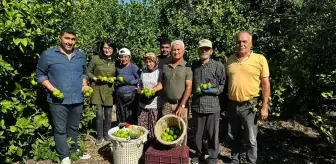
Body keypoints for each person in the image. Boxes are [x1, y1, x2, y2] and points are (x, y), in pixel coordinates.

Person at [36, 28, 91, 164]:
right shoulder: (48, 55)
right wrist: (52, 89)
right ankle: (64, 155)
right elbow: (40, 75)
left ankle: (74, 150)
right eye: (67, 38)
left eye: (72, 39)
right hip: (57, 100)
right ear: (60, 38)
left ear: (75, 41)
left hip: (77, 98)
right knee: (60, 129)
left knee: (73, 127)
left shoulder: (81, 56)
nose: (69, 42)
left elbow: (84, 74)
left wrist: (84, 85)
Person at [226, 31, 271, 164]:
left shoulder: (259, 59)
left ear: (251, 43)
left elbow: (265, 83)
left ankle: (251, 162)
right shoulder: (229, 60)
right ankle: (235, 160)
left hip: (250, 105)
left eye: (244, 41)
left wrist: (265, 106)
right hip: (232, 104)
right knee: (232, 135)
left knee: (251, 138)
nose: (241, 44)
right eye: (239, 41)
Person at [191, 39, 226, 164]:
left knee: (212, 134)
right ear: (198, 51)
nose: (204, 51)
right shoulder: (193, 66)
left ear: (211, 51)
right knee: (197, 134)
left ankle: (212, 158)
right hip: (197, 106)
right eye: (201, 49)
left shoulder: (218, 66)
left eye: (207, 49)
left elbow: (222, 86)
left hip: (212, 106)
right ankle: (199, 155)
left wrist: (212, 90)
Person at [153, 40, 192, 146]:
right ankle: (168, 153)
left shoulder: (187, 66)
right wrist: (153, 89)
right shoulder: (166, 66)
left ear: (183, 51)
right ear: (171, 51)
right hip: (167, 103)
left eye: (178, 49)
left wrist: (182, 105)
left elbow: (189, 87)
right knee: (166, 130)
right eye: (174, 49)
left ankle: (181, 154)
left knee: (181, 130)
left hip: (181, 105)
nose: (176, 52)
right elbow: (163, 83)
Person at [87, 39, 117, 145]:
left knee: (108, 114)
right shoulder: (96, 58)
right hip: (97, 88)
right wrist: (95, 79)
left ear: (113, 49)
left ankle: (107, 135)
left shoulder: (115, 60)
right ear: (101, 48)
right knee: (99, 114)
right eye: (105, 47)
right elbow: (88, 71)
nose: (107, 50)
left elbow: (118, 73)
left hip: (109, 89)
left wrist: (115, 78)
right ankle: (99, 136)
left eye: (109, 47)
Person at [137, 52, 163, 141]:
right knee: (142, 127)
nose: (148, 64)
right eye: (147, 61)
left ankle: (153, 145)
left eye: (151, 61)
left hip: (155, 103)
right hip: (143, 103)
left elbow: (162, 85)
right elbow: (139, 85)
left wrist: (153, 91)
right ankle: (143, 144)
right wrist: (140, 90)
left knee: (154, 126)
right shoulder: (143, 72)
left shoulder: (159, 72)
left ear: (155, 61)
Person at [115, 48, 141, 124]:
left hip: (132, 96)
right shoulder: (118, 68)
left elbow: (140, 79)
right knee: (121, 115)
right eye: (121, 57)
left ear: (129, 57)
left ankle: (131, 130)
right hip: (120, 96)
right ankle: (122, 129)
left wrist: (130, 82)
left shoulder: (134, 67)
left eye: (125, 57)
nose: (123, 59)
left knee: (131, 115)